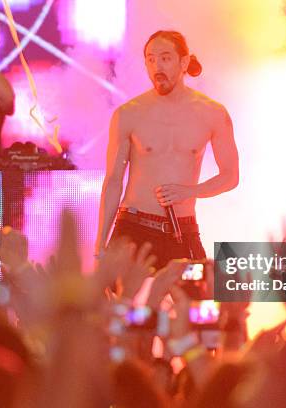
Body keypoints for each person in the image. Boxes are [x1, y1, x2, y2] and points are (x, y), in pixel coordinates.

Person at [95, 30, 239, 269]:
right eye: (150, 59)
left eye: (165, 58)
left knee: (194, 301)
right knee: (121, 304)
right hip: (133, 225)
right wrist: (100, 243)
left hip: (182, 230)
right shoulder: (128, 114)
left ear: (184, 62)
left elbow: (230, 176)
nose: (156, 66)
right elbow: (113, 181)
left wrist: (190, 191)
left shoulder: (212, 113)